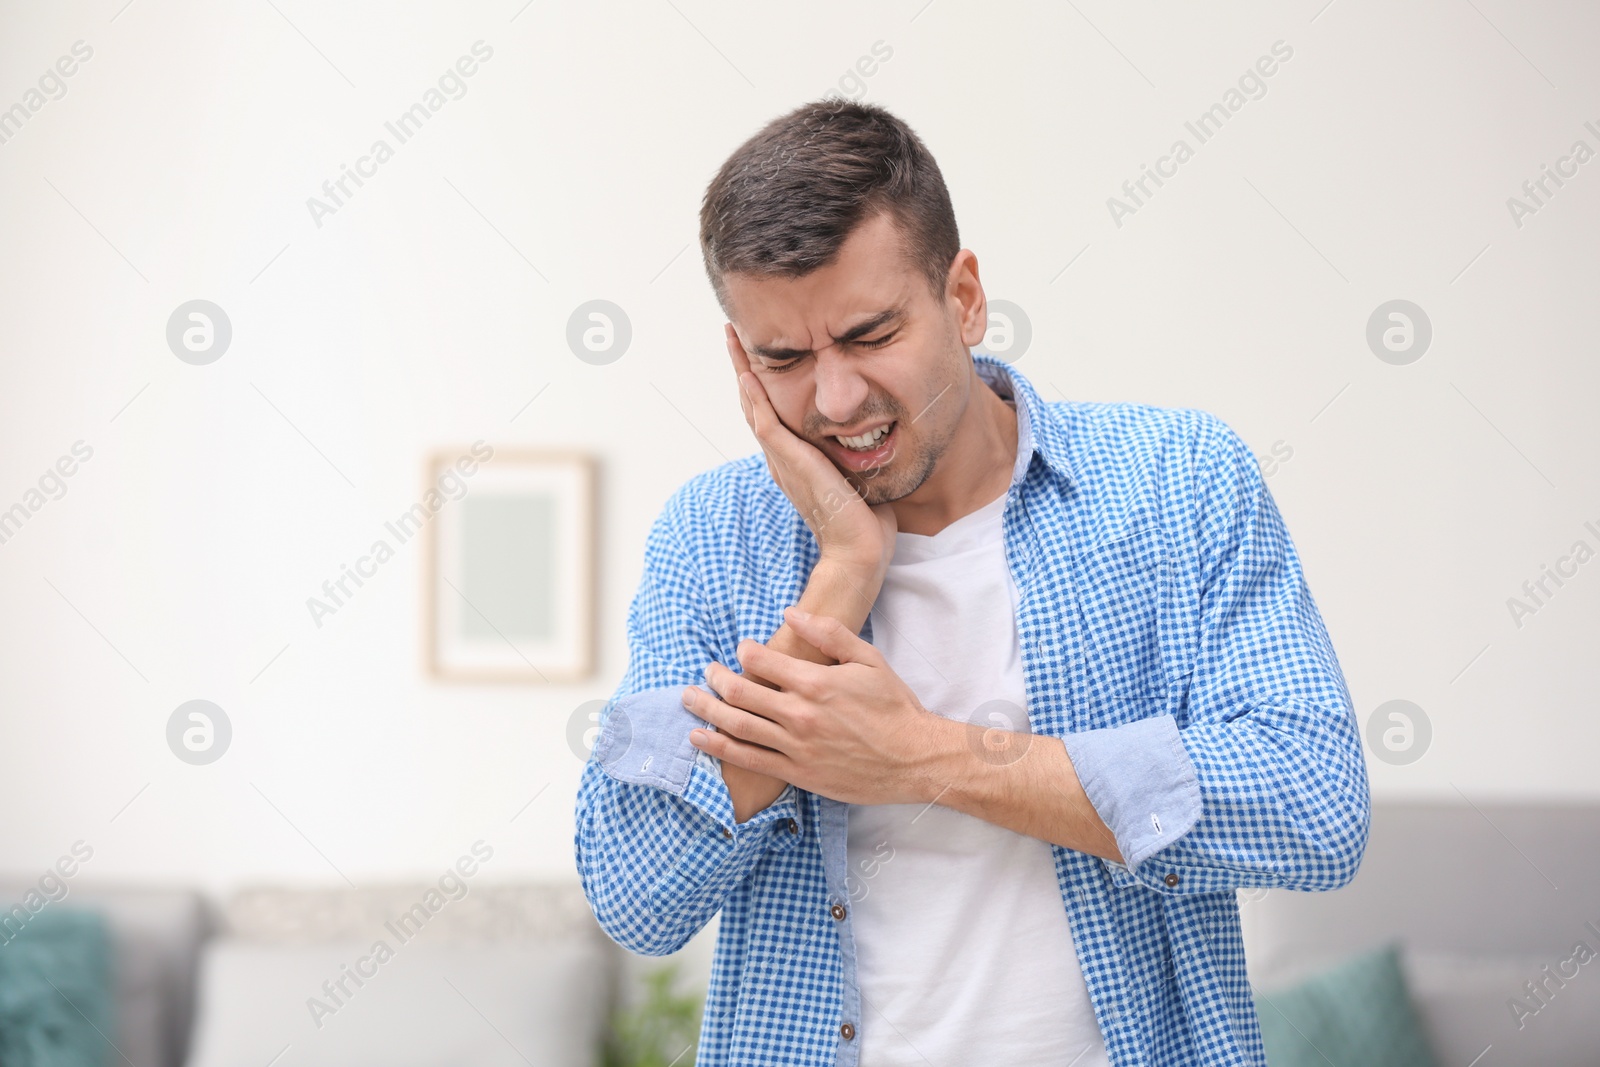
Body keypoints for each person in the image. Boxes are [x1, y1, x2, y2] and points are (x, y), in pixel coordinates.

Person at [574, 98, 1369, 1067]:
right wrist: (844, 568)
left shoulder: (1176, 481)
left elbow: (1312, 807)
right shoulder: (712, 537)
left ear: (962, 297)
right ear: (741, 357)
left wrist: (924, 757)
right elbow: (634, 891)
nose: (834, 400)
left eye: (869, 334)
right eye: (784, 357)